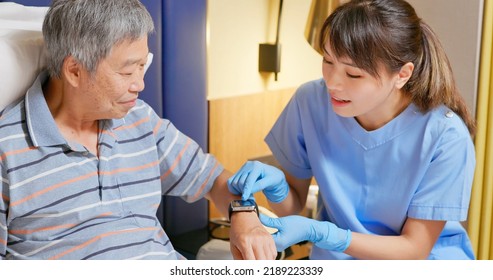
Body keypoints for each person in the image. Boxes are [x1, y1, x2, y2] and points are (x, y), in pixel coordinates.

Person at [0, 0, 275, 260]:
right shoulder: (7, 150)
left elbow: (214, 179)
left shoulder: (139, 119)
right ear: (74, 70)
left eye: (143, 66)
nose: (140, 85)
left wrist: (245, 215)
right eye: (127, 72)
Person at [228, 0, 476, 260]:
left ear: (402, 74)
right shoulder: (310, 101)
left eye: (354, 74)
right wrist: (278, 187)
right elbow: (292, 207)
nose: (333, 83)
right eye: (327, 61)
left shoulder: (445, 136)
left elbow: (414, 249)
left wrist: (323, 233)